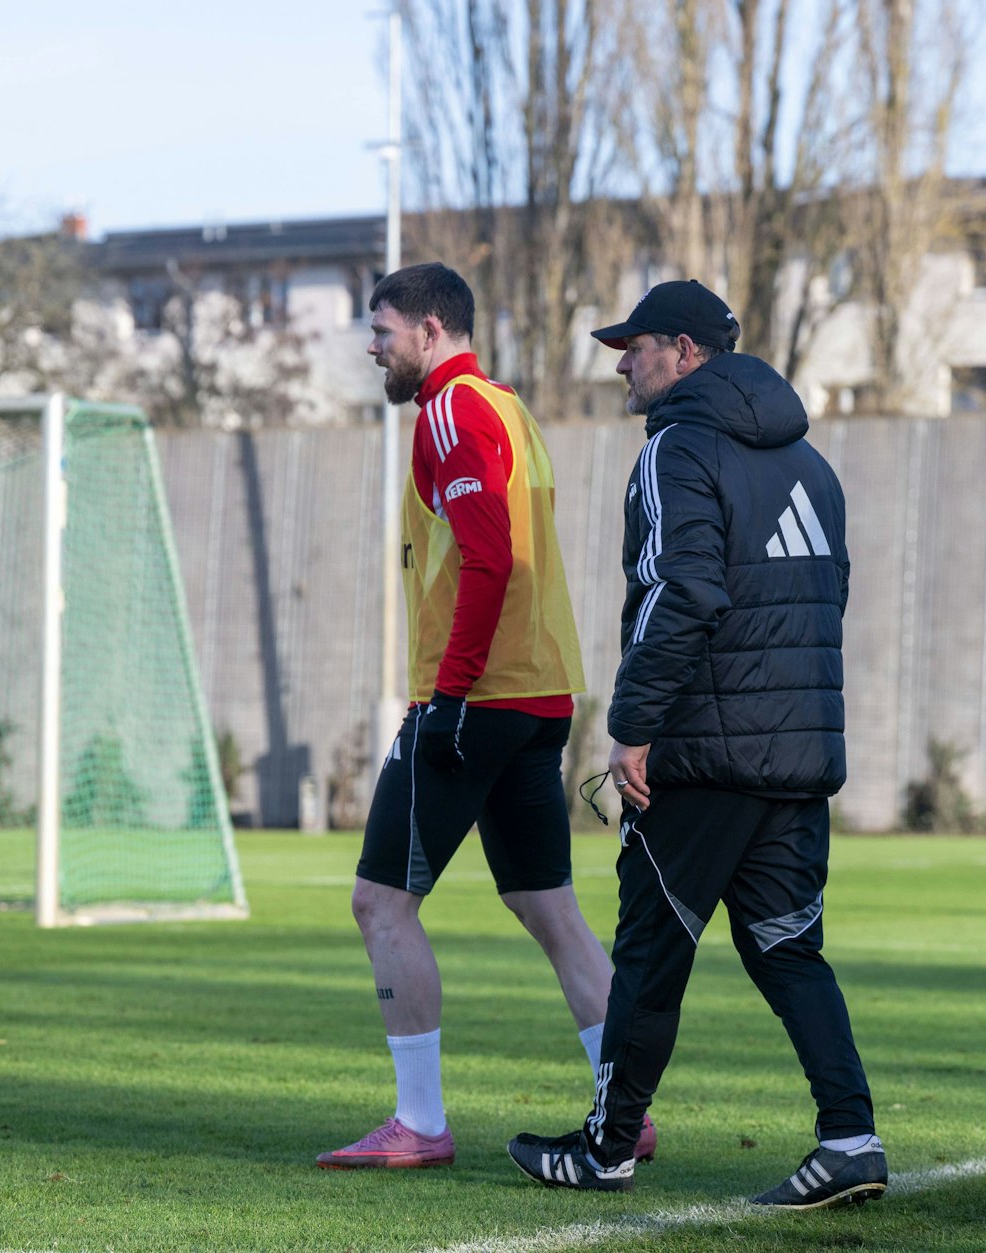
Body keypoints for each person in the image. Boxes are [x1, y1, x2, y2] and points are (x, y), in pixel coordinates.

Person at [505, 280, 883, 1208]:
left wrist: (631, 726)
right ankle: (852, 1140)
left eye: (633, 347)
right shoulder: (810, 461)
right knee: (790, 952)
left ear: (684, 350)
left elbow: (683, 595)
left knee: (650, 955)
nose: (622, 364)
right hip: (797, 753)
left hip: (703, 754)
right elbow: (828, 595)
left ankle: (606, 1148)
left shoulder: (677, 449)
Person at [318, 262, 656, 1170]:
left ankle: (420, 1122)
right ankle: (625, 1108)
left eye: (383, 330)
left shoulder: (450, 410)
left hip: (479, 700)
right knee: (548, 905)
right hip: (539, 695)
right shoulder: (506, 408)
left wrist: (452, 694)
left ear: (431, 331)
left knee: (380, 903)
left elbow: (490, 559)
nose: (373, 346)